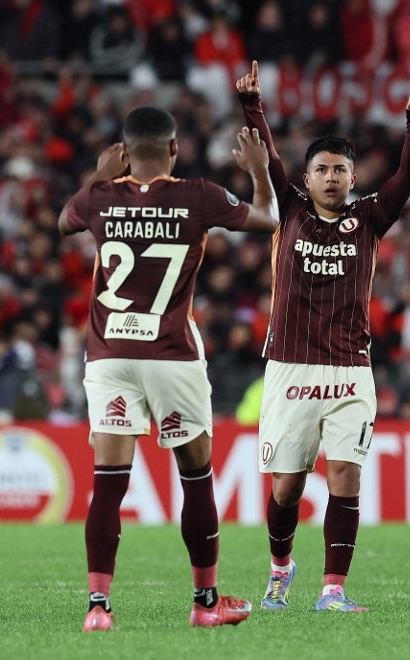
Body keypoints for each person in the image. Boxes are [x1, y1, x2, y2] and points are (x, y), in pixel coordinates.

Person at [58, 106, 280, 631]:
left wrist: (97, 175)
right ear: (175, 149)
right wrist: (258, 170)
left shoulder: (99, 197)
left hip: (109, 355)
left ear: (125, 151)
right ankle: (205, 604)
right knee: (196, 477)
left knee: (108, 482)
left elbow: (63, 221)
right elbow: (269, 220)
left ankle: (98, 609)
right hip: (171, 355)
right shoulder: (198, 194)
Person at [235, 61, 410, 612]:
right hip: (291, 367)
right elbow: (270, 163)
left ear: (352, 177)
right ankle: (280, 569)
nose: (331, 177)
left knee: (345, 475)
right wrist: (253, 105)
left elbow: (406, 179)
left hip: (350, 369)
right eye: (321, 169)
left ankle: (333, 589)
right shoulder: (289, 210)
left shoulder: (369, 218)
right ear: (309, 175)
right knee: (286, 490)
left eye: (340, 169)